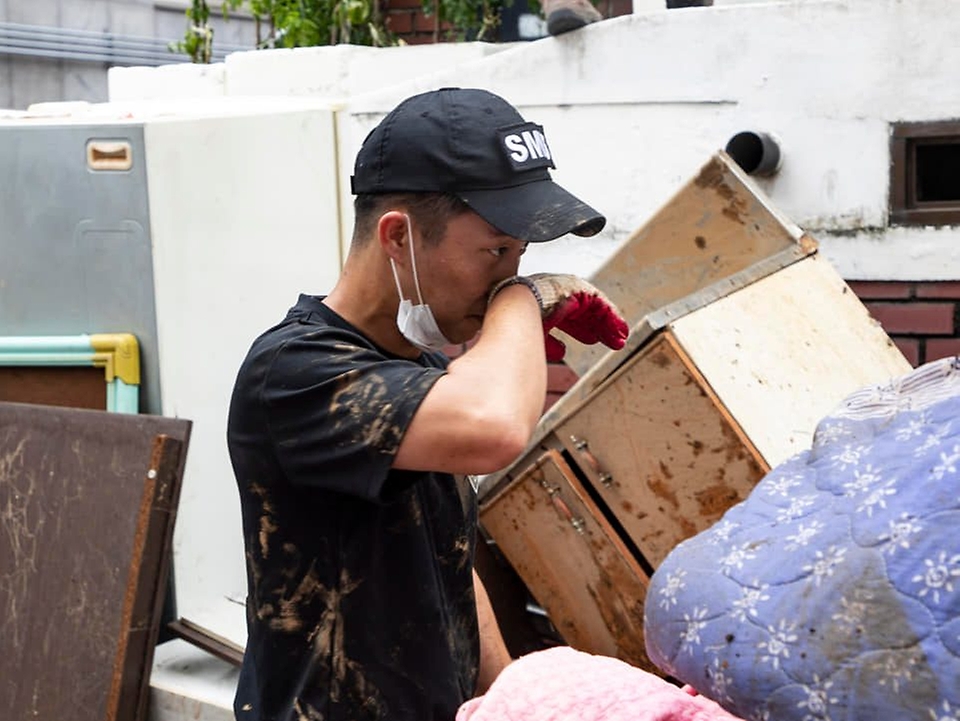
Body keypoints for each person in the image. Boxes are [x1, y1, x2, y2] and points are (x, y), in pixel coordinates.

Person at [226, 86, 629, 721]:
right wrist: (525, 297)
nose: (508, 272)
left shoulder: (422, 370)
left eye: (521, 256)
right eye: (496, 251)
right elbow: (496, 426)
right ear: (397, 237)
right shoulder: (295, 374)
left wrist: (508, 698)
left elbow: (446, 562)